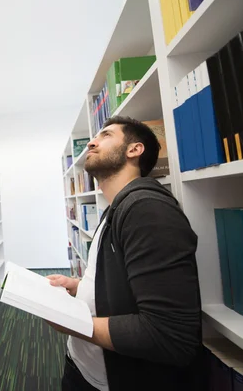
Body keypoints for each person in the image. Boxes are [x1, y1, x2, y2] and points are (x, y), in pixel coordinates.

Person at [47, 116, 203, 391]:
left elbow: (169, 335)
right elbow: (125, 284)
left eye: (106, 135)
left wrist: (74, 323)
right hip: (84, 369)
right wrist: (80, 287)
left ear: (134, 150)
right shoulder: (116, 208)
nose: (92, 142)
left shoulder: (147, 210)